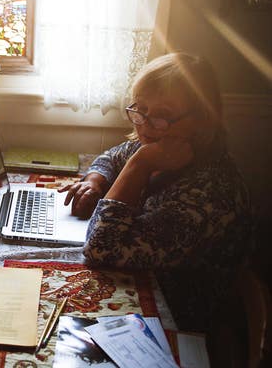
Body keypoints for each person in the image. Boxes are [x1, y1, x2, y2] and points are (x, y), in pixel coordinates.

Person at [59, 53, 251, 332]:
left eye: (163, 115)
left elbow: (101, 250)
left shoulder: (211, 191)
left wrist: (140, 164)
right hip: (139, 289)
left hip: (181, 321)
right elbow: (112, 157)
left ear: (202, 118)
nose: (145, 126)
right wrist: (94, 181)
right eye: (141, 109)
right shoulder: (165, 142)